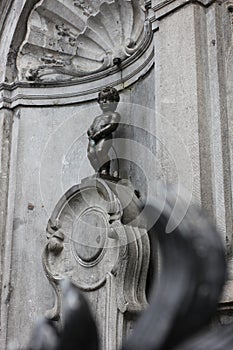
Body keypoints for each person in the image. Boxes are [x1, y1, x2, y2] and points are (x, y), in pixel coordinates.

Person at [87, 86, 120, 175]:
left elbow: (112, 125)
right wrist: (90, 132)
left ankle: (105, 169)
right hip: (93, 139)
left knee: (101, 151)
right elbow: (91, 127)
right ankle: (98, 170)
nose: (104, 102)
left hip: (104, 137)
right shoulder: (97, 118)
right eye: (102, 99)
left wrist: (100, 133)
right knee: (91, 154)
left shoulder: (114, 115)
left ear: (114, 102)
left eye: (108, 99)